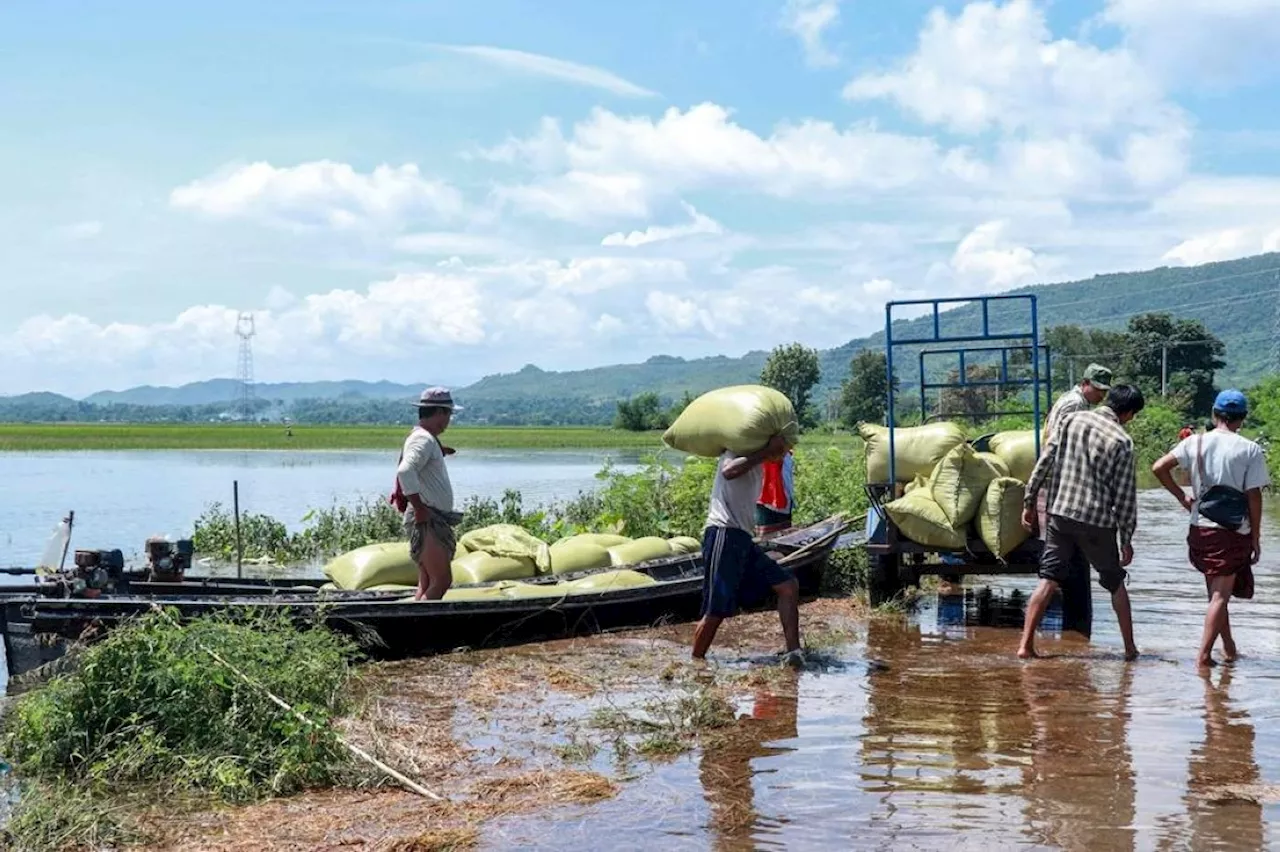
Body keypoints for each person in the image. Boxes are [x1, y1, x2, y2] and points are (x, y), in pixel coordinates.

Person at [1018, 384, 1146, 661]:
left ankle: (1026, 645)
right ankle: (1130, 649)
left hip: (1060, 514)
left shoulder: (1070, 420)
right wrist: (1127, 539)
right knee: (1115, 582)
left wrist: (1029, 502)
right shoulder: (1122, 441)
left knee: (1049, 578)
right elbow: (1125, 498)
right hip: (1096, 521)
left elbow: (1045, 461)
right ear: (1128, 414)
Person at [1151, 390, 1269, 669]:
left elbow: (1159, 468)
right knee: (1220, 596)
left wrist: (1182, 497)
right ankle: (1204, 656)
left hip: (1200, 528)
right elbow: (1254, 496)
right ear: (1242, 419)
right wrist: (1255, 536)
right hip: (1232, 530)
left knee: (1215, 594)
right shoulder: (1249, 449)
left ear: (1215, 415)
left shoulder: (1195, 442)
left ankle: (1228, 648)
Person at [692, 435, 802, 664]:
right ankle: (695, 662)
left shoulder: (758, 460)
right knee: (715, 611)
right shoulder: (733, 453)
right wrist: (765, 452)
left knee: (788, 586)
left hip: (741, 538)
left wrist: (774, 453)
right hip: (723, 533)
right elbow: (729, 472)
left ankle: (794, 653)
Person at [391, 388, 463, 601]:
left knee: (427, 581)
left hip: (429, 517)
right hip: (427, 518)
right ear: (439, 412)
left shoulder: (426, 439)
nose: (449, 420)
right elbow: (405, 470)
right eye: (448, 414)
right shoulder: (423, 439)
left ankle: (416, 621)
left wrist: (439, 451)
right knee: (441, 581)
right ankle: (420, 628)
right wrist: (421, 509)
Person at [755, 450, 796, 535]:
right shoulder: (767, 451)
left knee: (783, 536)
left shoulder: (786, 456)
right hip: (768, 498)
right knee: (766, 539)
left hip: (782, 498)